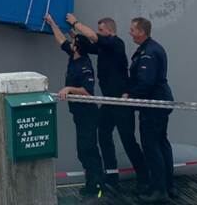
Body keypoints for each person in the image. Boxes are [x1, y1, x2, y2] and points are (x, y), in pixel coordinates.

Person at [69, 14, 149, 192]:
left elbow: (93, 37)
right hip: (108, 102)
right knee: (103, 135)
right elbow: (87, 44)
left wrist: (75, 22)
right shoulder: (104, 48)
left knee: (128, 140)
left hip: (121, 102)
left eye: (102, 30)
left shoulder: (116, 44)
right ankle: (111, 175)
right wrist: (69, 31)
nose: (99, 33)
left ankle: (145, 178)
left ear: (110, 32)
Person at [44, 14, 103, 198]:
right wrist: (52, 22)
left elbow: (87, 91)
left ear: (77, 47)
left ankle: (97, 187)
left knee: (89, 149)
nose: (71, 41)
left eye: (74, 40)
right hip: (78, 112)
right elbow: (61, 40)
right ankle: (91, 183)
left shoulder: (84, 65)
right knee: (83, 150)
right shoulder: (73, 54)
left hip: (88, 114)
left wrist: (68, 88)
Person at [126, 17, 175, 203]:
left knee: (152, 146)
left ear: (142, 31)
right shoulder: (149, 49)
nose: (130, 32)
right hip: (159, 103)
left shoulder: (149, 52)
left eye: (132, 29)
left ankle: (159, 191)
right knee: (162, 144)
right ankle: (168, 187)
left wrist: (130, 96)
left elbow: (146, 82)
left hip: (154, 105)